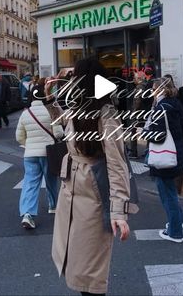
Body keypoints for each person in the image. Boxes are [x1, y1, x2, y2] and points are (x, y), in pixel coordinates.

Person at [44, 57, 132, 296]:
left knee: (90, 273)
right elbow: (64, 124)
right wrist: (51, 100)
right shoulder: (78, 108)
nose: (70, 81)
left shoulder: (107, 114)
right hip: (72, 190)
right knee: (76, 264)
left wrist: (118, 212)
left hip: (93, 195)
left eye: (74, 77)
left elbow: (117, 164)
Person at [15, 85, 64, 229]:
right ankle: (53, 205)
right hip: (48, 153)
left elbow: (19, 137)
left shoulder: (25, 114)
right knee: (51, 181)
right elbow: (59, 134)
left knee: (30, 183)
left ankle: (27, 214)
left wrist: (28, 145)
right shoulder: (50, 111)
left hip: (30, 154)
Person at [144, 77, 183, 243]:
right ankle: (178, 222)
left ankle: (175, 232)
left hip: (165, 156)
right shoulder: (175, 103)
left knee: (168, 194)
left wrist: (144, 132)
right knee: (171, 193)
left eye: (154, 88)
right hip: (176, 151)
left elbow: (158, 136)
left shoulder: (161, 108)